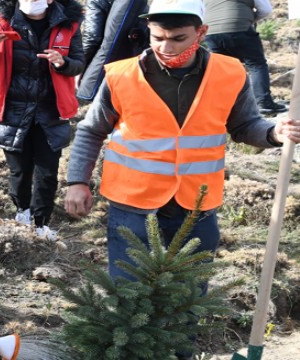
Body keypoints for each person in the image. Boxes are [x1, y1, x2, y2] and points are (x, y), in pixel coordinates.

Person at [63, 0, 300, 357]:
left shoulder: (230, 72)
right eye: (157, 37)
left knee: (188, 299)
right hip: (133, 204)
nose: (165, 47)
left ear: (201, 33)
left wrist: (273, 133)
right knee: (131, 297)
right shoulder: (122, 74)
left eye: (177, 38)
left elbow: (244, 125)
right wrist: (77, 182)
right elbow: (91, 130)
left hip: (196, 205)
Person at [0, 0, 85, 241]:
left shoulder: (69, 25)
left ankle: (41, 224)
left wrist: (63, 63)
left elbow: (79, 62)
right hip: (13, 111)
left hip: (50, 111)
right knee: (19, 171)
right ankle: (22, 211)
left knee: (48, 172)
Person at [204, 0, 287, 114]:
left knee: (223, 68)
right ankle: (263, 102)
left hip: (210, 31)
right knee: (256, 64)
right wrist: (249, 18)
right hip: (239, 26)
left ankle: (226, 106)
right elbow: (265, 10)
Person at [77, 0, 149, 101]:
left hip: (101, 74)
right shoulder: (142, 5)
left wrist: (80, 66)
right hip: (131, 75)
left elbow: (92, 37)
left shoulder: (96, 1)